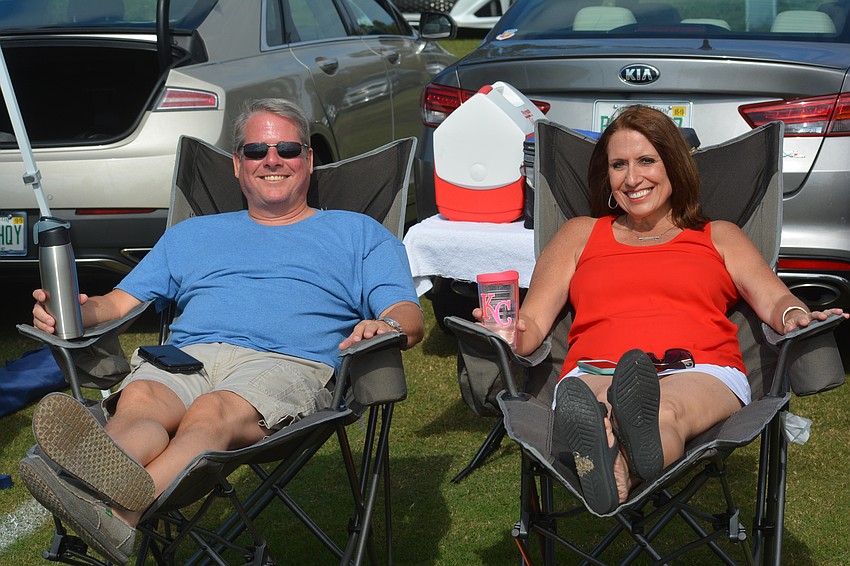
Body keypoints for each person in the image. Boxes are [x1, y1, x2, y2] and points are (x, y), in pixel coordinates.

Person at [19, 98, 424, 564]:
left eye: (288, 149)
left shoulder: (360, 233)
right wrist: (68, 312)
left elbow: (407, 316)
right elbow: (114, 305)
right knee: (141, 401)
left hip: (285, 363)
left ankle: (113, 513)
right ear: (237, 165)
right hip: (188, 357)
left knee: (214, 410)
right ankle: (98, 481)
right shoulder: (192, 234)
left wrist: (385, 324)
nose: (272, 161)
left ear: (309, 161)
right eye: (256, 151)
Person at [489, 105, 847, 515]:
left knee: (661, 407)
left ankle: (614, 462)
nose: (632, 178)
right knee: (601, 401)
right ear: (607, 176)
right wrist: (506, 329)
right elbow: (532, 321)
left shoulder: (718, 236)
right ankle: (618, 458)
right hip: (594, 371)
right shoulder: (579, 234)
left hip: (698, 369)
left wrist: (794, 316)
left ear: (674, 166)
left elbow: (776, 299)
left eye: (646, 161)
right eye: (618, 165)